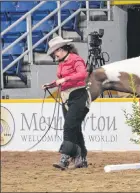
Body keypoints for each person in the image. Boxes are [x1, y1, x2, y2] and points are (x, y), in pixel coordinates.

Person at [42, 36, 90, 170]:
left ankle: (65, 157)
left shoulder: (76, 59)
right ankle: (81, 158)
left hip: (78, 95)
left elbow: (83, 74)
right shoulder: (62, 62)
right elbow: (62, 80)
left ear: (61, 49)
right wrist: (50, 85)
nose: (54, 55)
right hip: (66, 97)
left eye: (55, 52)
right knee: (74, 127)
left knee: (69, 126)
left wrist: (65, 79)